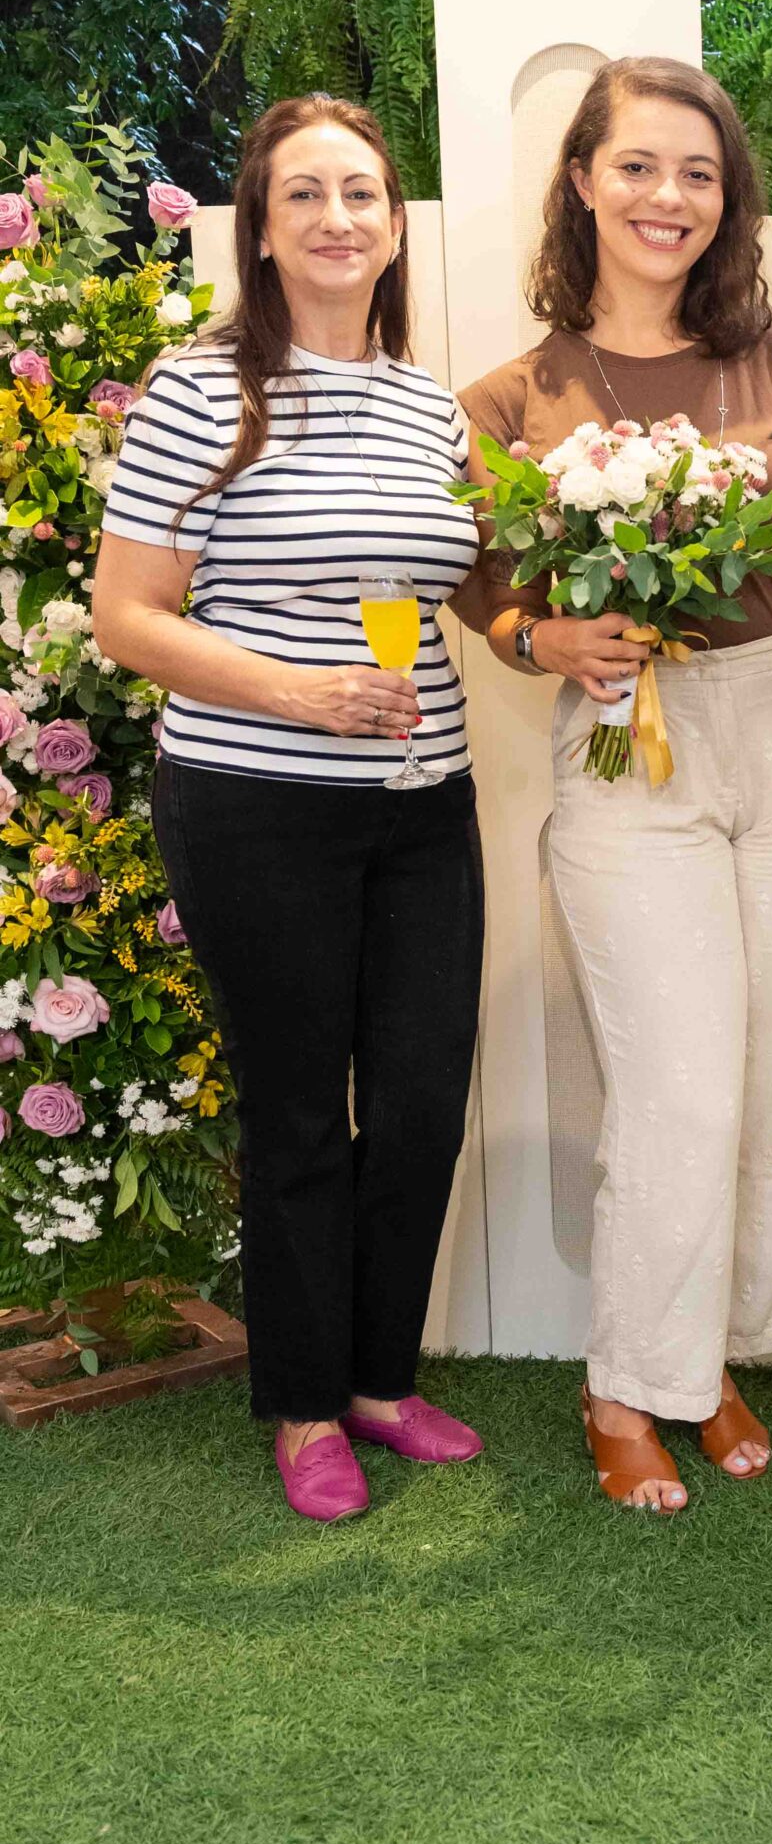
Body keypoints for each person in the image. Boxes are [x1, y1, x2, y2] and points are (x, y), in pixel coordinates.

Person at [460, 55, 772, 1515]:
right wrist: (542, 638)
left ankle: (708, 1358)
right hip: (624, 740)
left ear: (730, 200)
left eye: (699, 173)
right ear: (584, 182)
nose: (669, 196)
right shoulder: (509, 398)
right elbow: (480, 587)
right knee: (680, 1089)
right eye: (638, 166)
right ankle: (623, 1385)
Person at [92, 94, 486, 1525]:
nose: (336, 218)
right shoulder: (201, 390)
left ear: (395, 225)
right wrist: (297, 694)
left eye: (361, 193)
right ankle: (307, 1404)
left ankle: (381, 1379)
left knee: (424, 1105)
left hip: (426, 805)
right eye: (304, 194)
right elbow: (128, 617)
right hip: (255, 803)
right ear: (258, 229)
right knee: (302, 1113)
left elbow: (467, 585)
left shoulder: (428, 402)